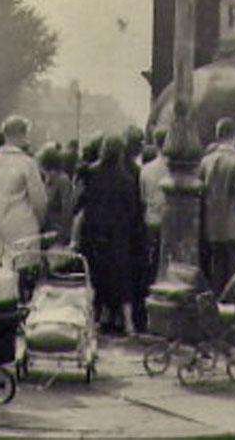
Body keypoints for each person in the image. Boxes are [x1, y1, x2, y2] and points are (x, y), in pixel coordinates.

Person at [77, 135, 144, 334]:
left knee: (96, 277)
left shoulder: (90, 173)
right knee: (121, 278)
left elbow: (82, 202)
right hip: (118, 235)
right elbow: (132, 210)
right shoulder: (127, 179)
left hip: (95, 232)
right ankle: (128, 323)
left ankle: (97, 318)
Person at [198, 117, 235, 301]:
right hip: (234, 226)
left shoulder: (206, 161)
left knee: (217, 270)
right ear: (234, 136)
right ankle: (232, 311)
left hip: (213, 224)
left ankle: (216, 310)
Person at [0, 115, 48, 266]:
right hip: (24, 228)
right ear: (22, 134)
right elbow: (39, 201)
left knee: (3, 276)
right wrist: (39, 224)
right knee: (24, 275)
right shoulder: (27, 164)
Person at [139, 128, 170, 284]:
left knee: (151, 259)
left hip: (151, 219)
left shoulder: (146, 169)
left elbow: (143, 197)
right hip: (168, 220)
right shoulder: (172, 168)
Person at [39, 145, 75, 247]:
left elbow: (67, 208)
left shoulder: (62, 180)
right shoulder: (47, 180)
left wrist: (65, 234)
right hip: (48, 231)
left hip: (58, 231)